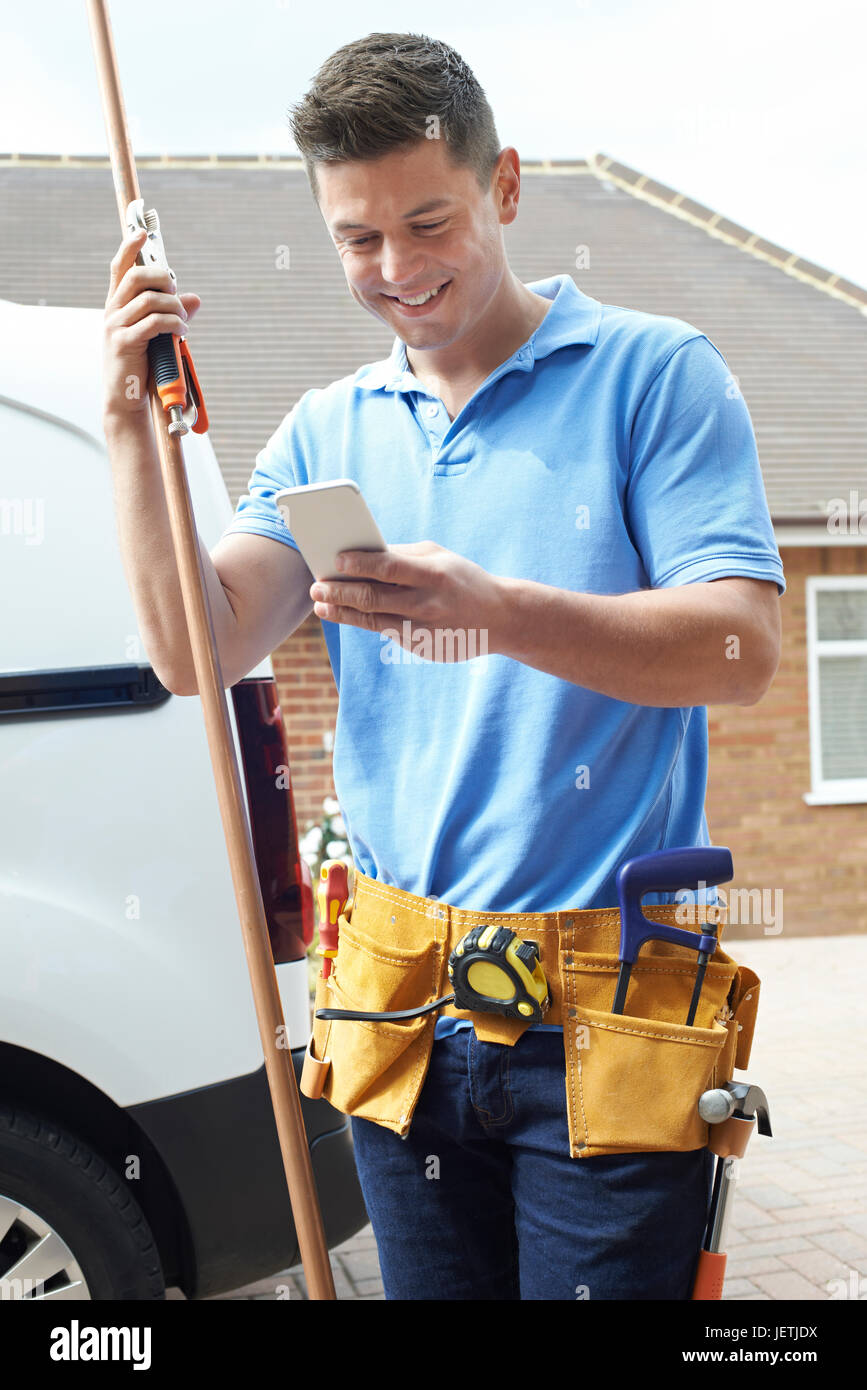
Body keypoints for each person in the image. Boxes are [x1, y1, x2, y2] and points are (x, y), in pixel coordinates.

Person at [102, 32, 784, 1299]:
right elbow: (194, 650)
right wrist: (128, 432)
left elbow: (742, 648)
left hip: (608, 1013)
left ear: (506, 187)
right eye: (360, 238)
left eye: (429, 221)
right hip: (402, 1011)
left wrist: (502, 610)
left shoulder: (658, 378)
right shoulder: (326, 434)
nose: (398, 269)